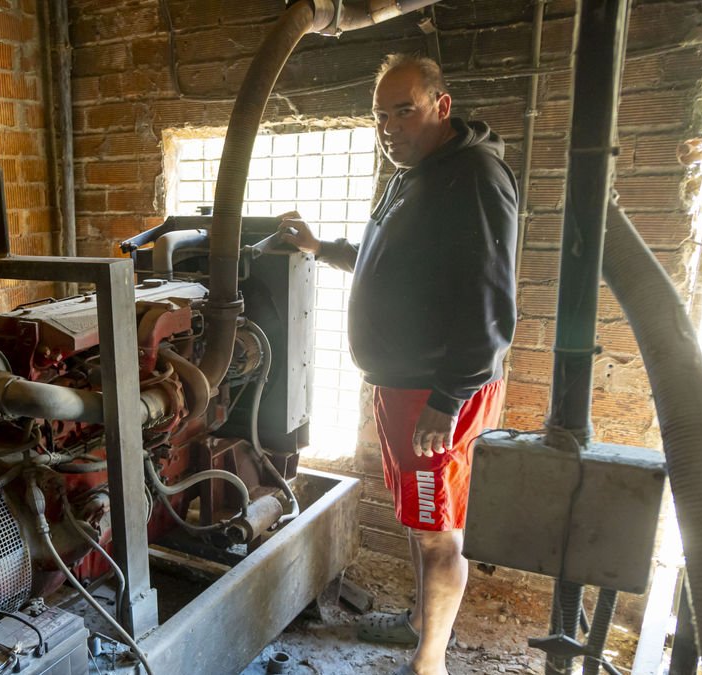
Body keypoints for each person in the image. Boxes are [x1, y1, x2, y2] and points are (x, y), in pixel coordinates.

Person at [280, 54, 517, 675]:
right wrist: (320, 247)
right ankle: (419, 623)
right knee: (420, 515)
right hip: (406, 386)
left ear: (440, 106)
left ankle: (428, 663)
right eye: (380, 115)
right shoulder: (416, 174)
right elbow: (386, 262)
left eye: (403, 111)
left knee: (438, 528)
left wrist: (447, 396)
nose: (389, 127)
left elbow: (491, 302)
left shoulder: (472, 177)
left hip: (433, 391)